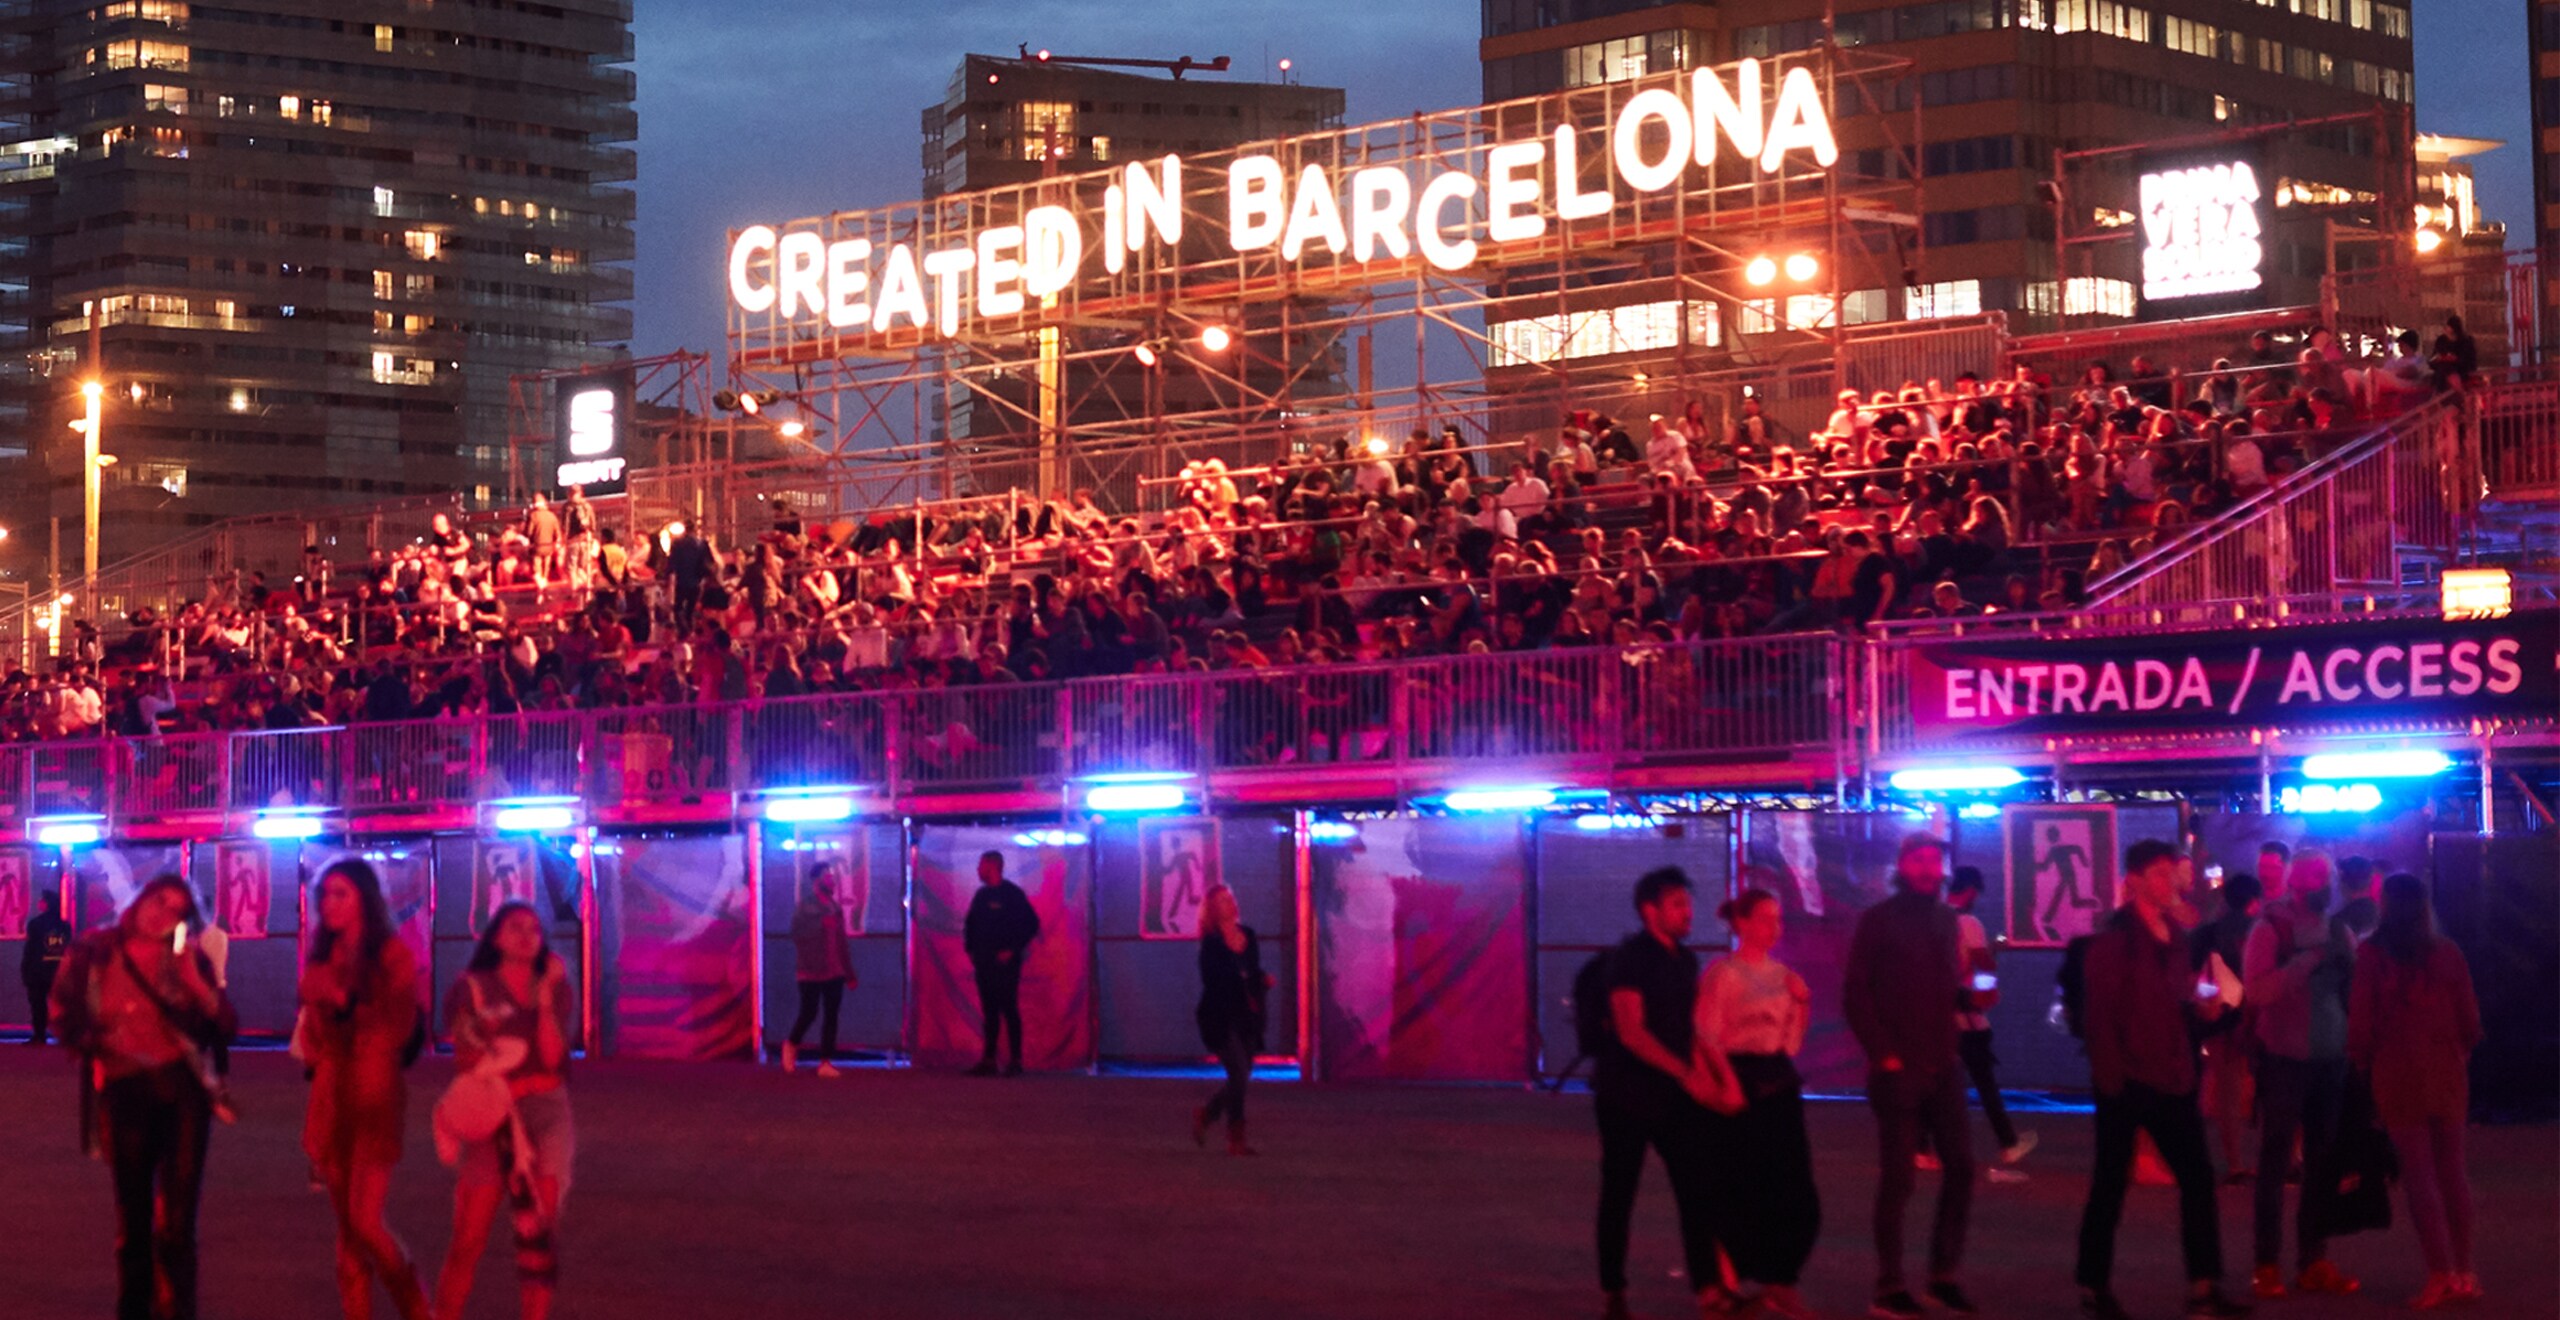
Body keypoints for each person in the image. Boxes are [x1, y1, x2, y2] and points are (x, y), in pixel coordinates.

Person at [2074, 841, 2251, 1320]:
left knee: (2196, 1179)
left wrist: (2201, 1011)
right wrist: (2112, 1080)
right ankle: (2094, 1285)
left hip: (2171, 1077)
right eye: (2157, 873)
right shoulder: (2114, 940)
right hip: (2128, 1079)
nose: (2168, 881)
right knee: (2110, 1184)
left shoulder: (2175, 936)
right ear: (2133, 881)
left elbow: (2176, 1003)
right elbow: (2100, 1017)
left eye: (2168, 872)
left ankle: (2202, 1287)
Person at [50, 875, 230, 1320]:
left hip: (182, 1092)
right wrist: (90, 1040)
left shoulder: (187, 959)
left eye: (176, 909)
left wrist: (196, 984)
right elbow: (62, 1008)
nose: (162, 912)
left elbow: (223, 1028)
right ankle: (134, 1306)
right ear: (141, 900)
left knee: (179, 1223)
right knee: (132, 1218)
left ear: (185, 921)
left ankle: (180, 1309)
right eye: (158, 900)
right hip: (125, 1087)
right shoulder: (95, 950)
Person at [1842, 834, 1978, 1320]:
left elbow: (1950, 982)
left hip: (1942, 1063)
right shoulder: (1878, 920)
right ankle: (1890, 1285)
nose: (1927, 868)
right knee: (1899, 1179)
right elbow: (1856, 995)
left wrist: (1967, 1000)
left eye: (1934, 861)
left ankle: (1942, 1276)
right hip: (1900, 1068)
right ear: (1902, 866)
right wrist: (1885, 1055)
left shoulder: (1947, 921)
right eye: (1918, 860)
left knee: (1961, 1167)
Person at [1591, 867, 1733, 1320]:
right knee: (1620, 1193)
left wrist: (1709, 1075)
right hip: (1625, 1096)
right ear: (1650, 910)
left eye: (1687, 904)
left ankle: (1709, 1290)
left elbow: (1688, 1028)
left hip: (1672, 1096)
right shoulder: (1629, 959)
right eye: (1677, 904)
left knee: (1698, 1190)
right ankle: (1613, 1293)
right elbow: (1631, 1032)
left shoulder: (1685, 960)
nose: (1687, 912)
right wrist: (1685, 1073)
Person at [301, 859, 433, 1320]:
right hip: (332, 1092)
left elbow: (398, 1025)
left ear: (365, 900)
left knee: (366, 1221)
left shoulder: (391, 955)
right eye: (325, 895)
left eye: (342, 894)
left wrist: (347, 1001)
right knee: (346, 1231)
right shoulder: (320, 957)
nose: (330, 904)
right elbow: (315, 1038)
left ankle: (415, 1305)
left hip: (374, 1091)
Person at [434, 901, 575, 1320]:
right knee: (469, 1236)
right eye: (516, 927)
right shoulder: (472, 988)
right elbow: (466, 1060)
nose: (528, 935)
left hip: (548, 1113)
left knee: (540, 1238)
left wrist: (546, 998)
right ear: (495, 937)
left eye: (534, 928)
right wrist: (509, 1074)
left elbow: (552, 1061)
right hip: (495, 1114)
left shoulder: (552, 987)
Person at [2348, 874, 2483, 1310]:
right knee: (2452, 1171)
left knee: (2419, 1175)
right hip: (2445, 1068)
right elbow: (2470, 1020)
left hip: (2397, 1069)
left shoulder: (2372, 954)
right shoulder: (2446, 953)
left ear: (2385, 904)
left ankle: (2439, 1273)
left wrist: (2362, 1063)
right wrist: (2457, 1052)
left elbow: (2361, 1022)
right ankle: (2464, 1272)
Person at [1694, 889, 1820, 1319]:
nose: (1774, 927)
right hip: (1740, 1079)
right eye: (1764, 918)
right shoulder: (1723, 973)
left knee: (1793, 1188)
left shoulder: (1784, 975)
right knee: (1738, 1183)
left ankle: (1779, 1280)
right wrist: (1727, 1084)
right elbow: (1708, 1036)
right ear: (1742, 923)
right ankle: (1729, 1282)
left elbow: (1792, 1043)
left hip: (1778, 1081)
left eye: (1778, 919)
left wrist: (1802, 1003)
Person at [2240, 849, 2360, 1300]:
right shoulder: (2271, 929)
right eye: (2317, 879)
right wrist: (2306, 963)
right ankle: (2266, 1263)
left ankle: (2313, 1258)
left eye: (2327, 877)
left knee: (2322, 1164)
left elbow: (2352, 990)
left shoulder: (2337, 929)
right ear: (2296, 884)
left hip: (2331, 1059)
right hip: (2285, 1059)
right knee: (2274, 1165)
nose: (2324, 886)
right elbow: (2257, 991)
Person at [1932, 867, 2036, 1179]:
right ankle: (2008, 1142)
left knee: (1935, 1083)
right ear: (1971, 890)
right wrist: (1996, 948)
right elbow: (1982, 964)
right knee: (1985, 1084)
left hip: (1937, 1014)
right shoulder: (1968, 922)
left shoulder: (1933, 917)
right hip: (1967, 1018)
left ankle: (1921, 1148)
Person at [2191, 872, 2263, 1184]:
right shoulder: (2262, 931)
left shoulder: (2206, 933)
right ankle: (2283, 1159)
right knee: (2274, 1091)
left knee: (2227, 1094)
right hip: (2260, 1020)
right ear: (2254, 902)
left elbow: (2191, 977)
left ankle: (2234, 1162)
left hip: (2220, 1019)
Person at [1190, 883, 1270, 1157]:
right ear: (1213, 909)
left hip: (1246, 1015)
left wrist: (1261, 980)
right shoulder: (1211, 944)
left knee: (1242, 1075)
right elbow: (1211, 980)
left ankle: (1208, 1114)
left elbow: (1253, 970)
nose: (1227, 903)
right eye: (1221, 900)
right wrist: (1239, 980)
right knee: (1238, 1072)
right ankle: (1235, 1138)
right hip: (1219, 1016)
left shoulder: (1248, 935)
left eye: (1229, 899)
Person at [962, 850, 1039, 1076]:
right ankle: (989, 1060)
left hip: (1006, 966)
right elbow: (970, 925)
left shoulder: (1012, 895)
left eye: (981, 865)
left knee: (1009, 1009)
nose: (978, 870)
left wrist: (1013, 949)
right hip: (984, 964)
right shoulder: (981, 896)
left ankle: (1016, 1061)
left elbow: (1031, 924)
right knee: (990, 1012)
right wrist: (972, 951)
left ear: (992, 866)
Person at [783, 863, 853, 1078]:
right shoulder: (805, 906)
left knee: (831, 1015)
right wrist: (821, 925)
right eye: (827, 876)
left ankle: (825, 1061)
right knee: (809, 1012)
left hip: (834, 971)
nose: (831, 880)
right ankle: (791, 1044)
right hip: (810, 970)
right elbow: (796, 933)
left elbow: (841, 941)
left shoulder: (835, 907)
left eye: (832, 876)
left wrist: (849, 971)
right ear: (817, 881)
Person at [22, 891, 71, 1045]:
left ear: (46, 903)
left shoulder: (35, 924)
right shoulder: (65, 926)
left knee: (38, 1004)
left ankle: (40, 1035)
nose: (39, 903)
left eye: (42, 901)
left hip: (39, 971)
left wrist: (26, 970)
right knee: (62, 1005)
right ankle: (66, 1037)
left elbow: (31, 950)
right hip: (59, 970)